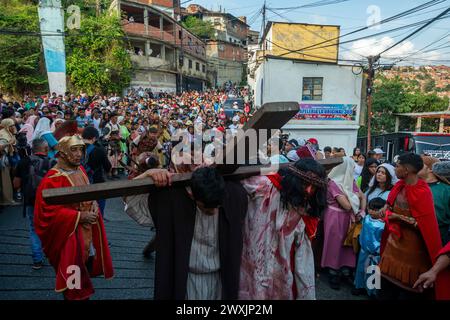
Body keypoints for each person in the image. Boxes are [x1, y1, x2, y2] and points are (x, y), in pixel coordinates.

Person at [137, 166, 248, 300]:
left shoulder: (234, 196)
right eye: (206, 208)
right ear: (192, 196)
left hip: (219, 279)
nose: (213, 212)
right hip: (187, 279)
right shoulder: (173, 198)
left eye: (217, 207)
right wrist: (147, 174)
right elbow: (133, 203)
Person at [34, 130, 113, 300]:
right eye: (74, 150)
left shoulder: (80, 170)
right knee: (73, 278)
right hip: (68, 235)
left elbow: (87, 194)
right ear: (61, 154)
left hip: (85, 233)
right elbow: (47, 214)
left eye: (81, 150)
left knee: (83, 269)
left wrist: (93, 205)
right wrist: (80, 217)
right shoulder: (53, 179)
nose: (79, 155)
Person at [239, 159, 328, 299]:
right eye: (305, 183)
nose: (309, 190)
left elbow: (304, 256)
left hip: (282, 266)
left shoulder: (305, 208)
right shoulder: (265, 185)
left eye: (314, 187)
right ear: (294, 180)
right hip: (252, 258)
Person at [377, 153, 450, 300]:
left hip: (412, 256)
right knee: (384, 293)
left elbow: (423, 225)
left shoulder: (422, 192)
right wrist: (385, 208)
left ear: (406, 170)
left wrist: (398, 217)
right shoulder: (399, 186)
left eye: (397, 166)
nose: (394, 169)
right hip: (391, 251)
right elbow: (390, 204)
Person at [321, 157, 366, 290]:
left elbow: (362, 196)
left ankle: (345, 271)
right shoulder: (333, 183)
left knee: (347, 244)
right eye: (352, 167)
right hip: (335, 217)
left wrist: (361, 211)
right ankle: (333, 272)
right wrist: (355, 199)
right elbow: (346, 205)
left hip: (350, 217)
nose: (353, 169)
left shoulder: (350, 180)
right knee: (334, 244)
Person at [13, 138, 52, 269]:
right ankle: (50, 252)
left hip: (30, 200)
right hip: (49, 200)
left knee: (33, 228)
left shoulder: (23, 162)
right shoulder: (52, 162)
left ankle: (37, 259)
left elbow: (16, 184)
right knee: (50, 226)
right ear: (45, 149)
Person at [418, 157, 450, 246]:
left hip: (439, 239)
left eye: (419, 165)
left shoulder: (446, 190)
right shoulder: (411, 187)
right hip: (414, 240)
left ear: (431, 169)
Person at [82, 126, 112, 217]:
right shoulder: (99, 150)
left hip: (79, 184)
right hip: (97, 184)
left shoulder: (75, 148)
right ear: (94, 138)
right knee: (98, 213)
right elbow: (108, 168)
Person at [0, 118, 17, 206]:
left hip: (5, 158)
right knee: (4, 181)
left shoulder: (7, 132)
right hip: (2, 159)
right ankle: (6, 200)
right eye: (11, 125)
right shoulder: (3, 134)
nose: (13, 127)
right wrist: (8, 143)